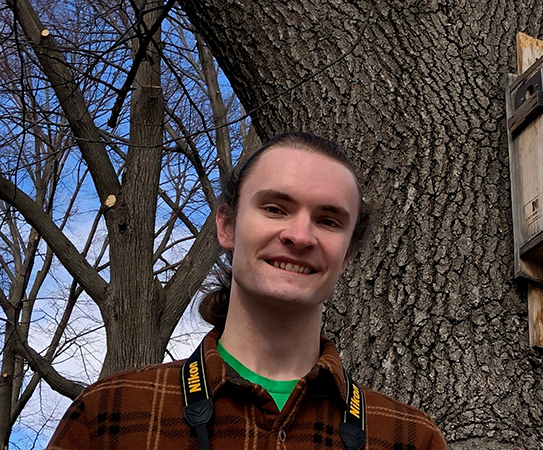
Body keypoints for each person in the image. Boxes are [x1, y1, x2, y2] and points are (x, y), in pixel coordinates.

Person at [47, 132, 448, 450]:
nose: (299, 235)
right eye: (275, 208)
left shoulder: (409, 438)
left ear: (345, 256)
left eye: (328, 221)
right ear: (226, 226)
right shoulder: (110, 414)